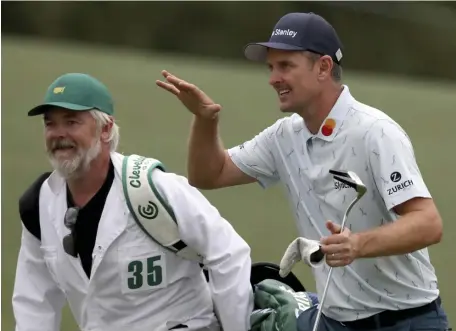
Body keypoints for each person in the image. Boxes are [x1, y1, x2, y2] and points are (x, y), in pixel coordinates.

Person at [156, 12, 450, 331]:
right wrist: (204, 120)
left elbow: (428, 223)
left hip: (407, 321)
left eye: (285, 66)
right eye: (271, 67)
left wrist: (358, 245)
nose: (273, 78)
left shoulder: (375, 132)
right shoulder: (284, 136)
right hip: (335, 322)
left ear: (323, 67)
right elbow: (209, 175)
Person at [12, 73, 254, 331]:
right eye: (50, 124)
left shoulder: (153, 187)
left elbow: (228, 252)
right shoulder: (38, 205)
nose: (59, 134)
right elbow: (34, 300)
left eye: (71, 122)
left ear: (105, 129)